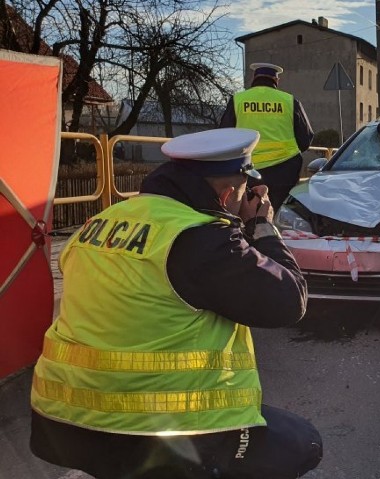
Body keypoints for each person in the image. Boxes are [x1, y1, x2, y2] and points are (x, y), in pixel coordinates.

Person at [30, 128, 322, 478]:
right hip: (153, 435)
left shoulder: (102, 221)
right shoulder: (200, 240)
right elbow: (289, 300)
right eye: (242, 194)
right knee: (303, 443)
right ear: (229, 193)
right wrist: (261, 226)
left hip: (61, 421)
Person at [220, 63, 315, 211]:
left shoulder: (238, 99)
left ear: (254, 78)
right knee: (280, 212)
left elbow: (224, 134)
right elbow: (306, 139)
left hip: (247, 169)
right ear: (276, 80)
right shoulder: (289, 101)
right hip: (284, 170)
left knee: (248, 211)